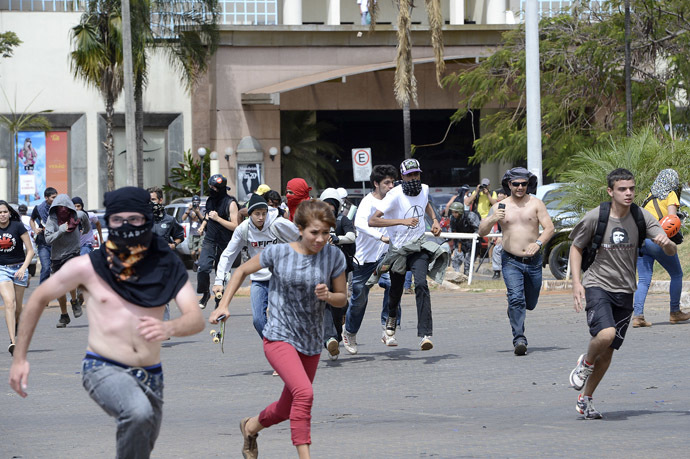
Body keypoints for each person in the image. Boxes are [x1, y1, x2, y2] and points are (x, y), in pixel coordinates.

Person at [9, 186, 204, 457]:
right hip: (103, 368)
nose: (126, 227)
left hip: (151, 375)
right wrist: (20, 358)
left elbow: (195, 318)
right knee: (138, 413)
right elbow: (39, 298)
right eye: (117, 220)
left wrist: (168, 327)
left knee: (141, 441)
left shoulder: (164, 264)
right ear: (109, 222)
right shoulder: (89, 267)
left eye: (134, 219)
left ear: (146, 219)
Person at [210, 200, 347, 459]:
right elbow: (241, 270)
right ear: (299, 229)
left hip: (310, 340)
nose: (320, 239)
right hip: (279, 336)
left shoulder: (333, 256)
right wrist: (223, 306)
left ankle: (250, 427)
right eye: (314, 232)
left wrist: (329, 295)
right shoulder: (280, 253)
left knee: (286, 408)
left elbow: (343, 298)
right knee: (304, 394)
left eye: (326, 232)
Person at [567, 168, 674, 419]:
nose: (628, 193)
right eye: (622, 189)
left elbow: (670, 251)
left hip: (626, 289)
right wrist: (576, 283)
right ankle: (585, 363)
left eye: (632, 188)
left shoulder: (641, 217)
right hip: (597, 284)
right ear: (610, 191)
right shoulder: (597, 216)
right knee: (606, 334)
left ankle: (586, 398)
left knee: (609, 350)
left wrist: (667, 244)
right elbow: (576, 247)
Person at [369, 158, 443, 351]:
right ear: (402, 176)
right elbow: (373, 221)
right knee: (396, 290)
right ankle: (391, 317)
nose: (413, 178)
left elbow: (425, 203)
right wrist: (401, 222)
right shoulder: (394, 194)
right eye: (409, 175)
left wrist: (434, 220)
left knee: (421, 284)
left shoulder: (424, 189)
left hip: (418, 247)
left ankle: (425, 334)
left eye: (416, 174)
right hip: (399, 250)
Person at [478, 168, 554, 356]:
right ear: (509, 185)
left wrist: (538, 244)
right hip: (510, 260)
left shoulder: (536, 204)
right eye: (516, 184)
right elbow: (481, 232)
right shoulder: (500, 207)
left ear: (528, 185)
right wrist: (492, 219)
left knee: (530, 302)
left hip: (533, 261)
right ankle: (519, 338)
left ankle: (514, 309)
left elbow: (550, 228)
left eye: (524, 184)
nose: (520, 187)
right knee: (516, 298)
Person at [212, 193, 299, 338]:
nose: (261, 217)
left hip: (280, 278)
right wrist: (219, 281)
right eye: (257, 214)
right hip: (259, 279)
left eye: (264, 213)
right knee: (258, 321)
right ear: (250, 214)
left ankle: (287, 344)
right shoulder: (243, 229)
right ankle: (274, 346)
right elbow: (228, 254)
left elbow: (300, 238)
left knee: (281, 317)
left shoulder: (278, 224)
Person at [341, 164, 397, 353]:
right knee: (359, 299)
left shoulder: (394, 200)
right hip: (364, 260)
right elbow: (360, 224)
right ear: (376, 183)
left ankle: (387, 329)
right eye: (386, 183)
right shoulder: (368, 201)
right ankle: (349, 332)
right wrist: (380, 236)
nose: (391, 186)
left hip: (386, 257)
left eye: (393, 182)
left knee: (392, 287)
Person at [632, 169, 688, 327]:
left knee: (643, 280)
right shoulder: (670, 195)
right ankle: (675, 312)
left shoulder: (648, 198)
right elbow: (671, 220)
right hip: (657, 240)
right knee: (677, 274)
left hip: (640, 241)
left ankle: (638, 316)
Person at [319, 188, 356, 360]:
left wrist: (337, 239)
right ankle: (330, 338)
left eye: (331, 205)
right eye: (325, 204)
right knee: (325, 302)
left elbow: (352, 236)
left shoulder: (343, 220)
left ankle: (337, 333)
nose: (329, 208)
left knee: (338, 304)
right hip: (322, 269)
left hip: (340, 269)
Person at [44, 194, 91, 328]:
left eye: (65, 208)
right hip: (57, 256)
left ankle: (75, 300)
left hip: (73, 252)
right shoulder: (51, 220)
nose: (63, 211)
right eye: (59, 208)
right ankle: (64, 315)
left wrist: (83, 231)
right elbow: (48, 239)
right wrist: (61, 230)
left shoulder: (78, 215)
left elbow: (87, 225)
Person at [197, 174, 239, 309]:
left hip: (225, 242)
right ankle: (205, 293)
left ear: (221, 188)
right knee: (202, 268)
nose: (211, 190)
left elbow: (236, 226)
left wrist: (218, 219)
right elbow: (208, 216)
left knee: (221, 274)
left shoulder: (231, 203)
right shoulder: (210, 201)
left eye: (214, 188)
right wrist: (203, 225)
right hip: (210, 240)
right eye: (210, 187)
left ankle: (219, 301)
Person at [0, 201, 34, 355]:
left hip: (19, 268)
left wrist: (23, 268)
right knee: (9, 303)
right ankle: (13, 342)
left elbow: (31, 251)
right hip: (2, 270)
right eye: (0, 212)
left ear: (9, 212)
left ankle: (17, 326)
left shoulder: (18, 226)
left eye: (5, 212)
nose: (2, 215)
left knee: (18, 309)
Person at [30, 187, 58, 283]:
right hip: (43, 243)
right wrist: (34, 229)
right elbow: (32, 220)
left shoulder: (60, 208)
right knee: (46, 267)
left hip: (57, 243)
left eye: (56, 197)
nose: (55, 199)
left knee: (57, 269)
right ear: (46, 197)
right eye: (53, 197)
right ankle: (42, 292)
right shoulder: (38, 209)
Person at [448, 201, 480, 276]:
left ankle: (468, 277)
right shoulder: (453, 218)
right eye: (452, 212)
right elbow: (451, 230)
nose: (454, 214)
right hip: (460, 242)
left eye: (456, 212)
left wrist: (473, 236)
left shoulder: (470, 216)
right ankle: (457, 275)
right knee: (456, 258)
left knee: (468, 262)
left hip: (472, 242)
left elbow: (478, 229)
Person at [181, 196, 205, 271]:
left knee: (200, 250)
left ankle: (199, 264)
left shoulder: (202, 209)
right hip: (192, 233)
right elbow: (183, 218)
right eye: (194, 202)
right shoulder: (189, 210)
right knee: (193, 252)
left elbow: (204, 219)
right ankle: (196, 261)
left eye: (197, 202)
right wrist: (188, 210)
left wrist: (197, 212)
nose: (196, 204)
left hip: (201, 233)